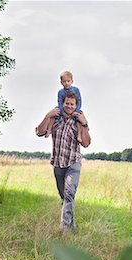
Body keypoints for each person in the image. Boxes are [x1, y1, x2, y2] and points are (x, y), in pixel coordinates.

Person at [36, 91, 91, 233]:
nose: (69, 106)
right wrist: (48, 115)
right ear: (62, 103)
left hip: (73, 163)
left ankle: (65, 230)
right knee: (64, 197)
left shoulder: (79, 121)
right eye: (67, 103)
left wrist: (84, 125)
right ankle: (71, 225)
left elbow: (86, 143)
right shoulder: (56, 118)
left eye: (72, 104)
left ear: (76, 105)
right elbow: (39, 132)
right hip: (58, 163)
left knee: (69, 194)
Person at [45, 71, 83, 137]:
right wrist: (63, 113)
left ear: (72, 81)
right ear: (61, 82)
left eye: (68, 81)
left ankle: (79, 134)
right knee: (54, 113)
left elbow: (79, 100)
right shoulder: (60, 92)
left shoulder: (76, 90)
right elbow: (60, 102)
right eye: (64, 81)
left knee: (79, 118)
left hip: (74, 109)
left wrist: (76, 110)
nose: (66, 83)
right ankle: (49, 130)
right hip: (63, 108)